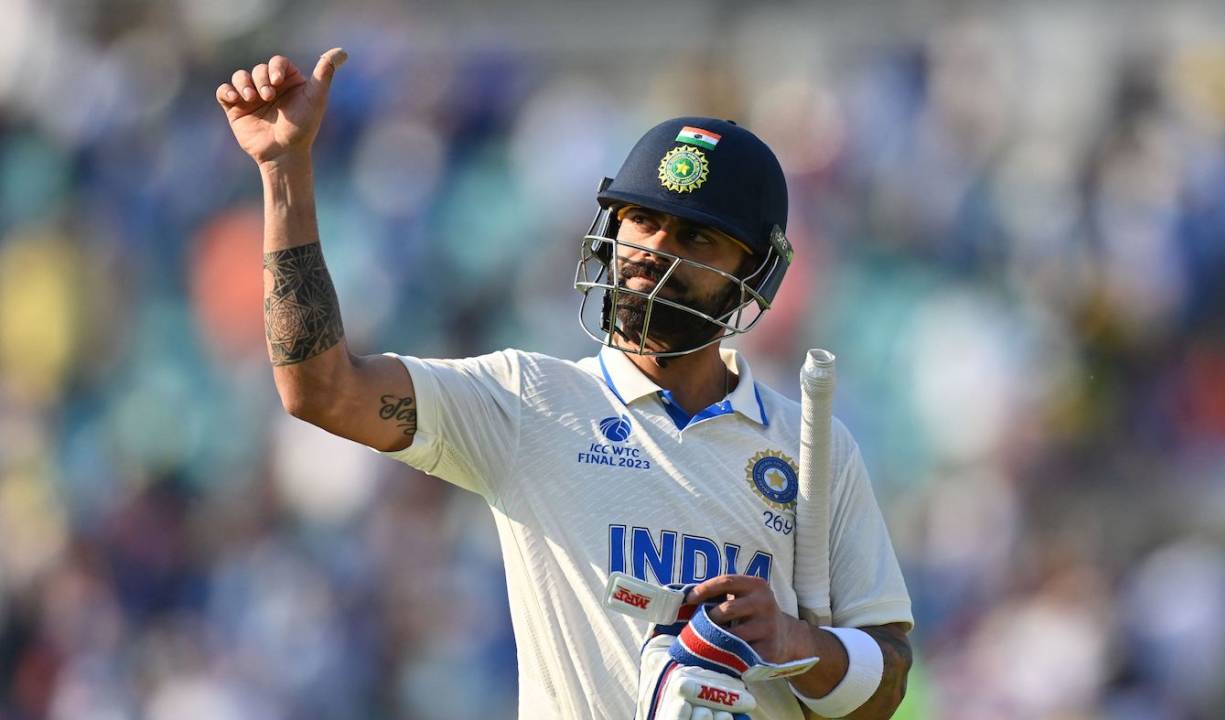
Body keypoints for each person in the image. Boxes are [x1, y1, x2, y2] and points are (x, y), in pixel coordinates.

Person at [217, 48, 913, 720]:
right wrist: (285, 171)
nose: (653, 254)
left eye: (697, 239)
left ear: (754, 274)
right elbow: (321, 390)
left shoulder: (812, 450)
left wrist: (796, 644)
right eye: (644, 220)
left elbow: (888, 681)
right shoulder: (531, 402)